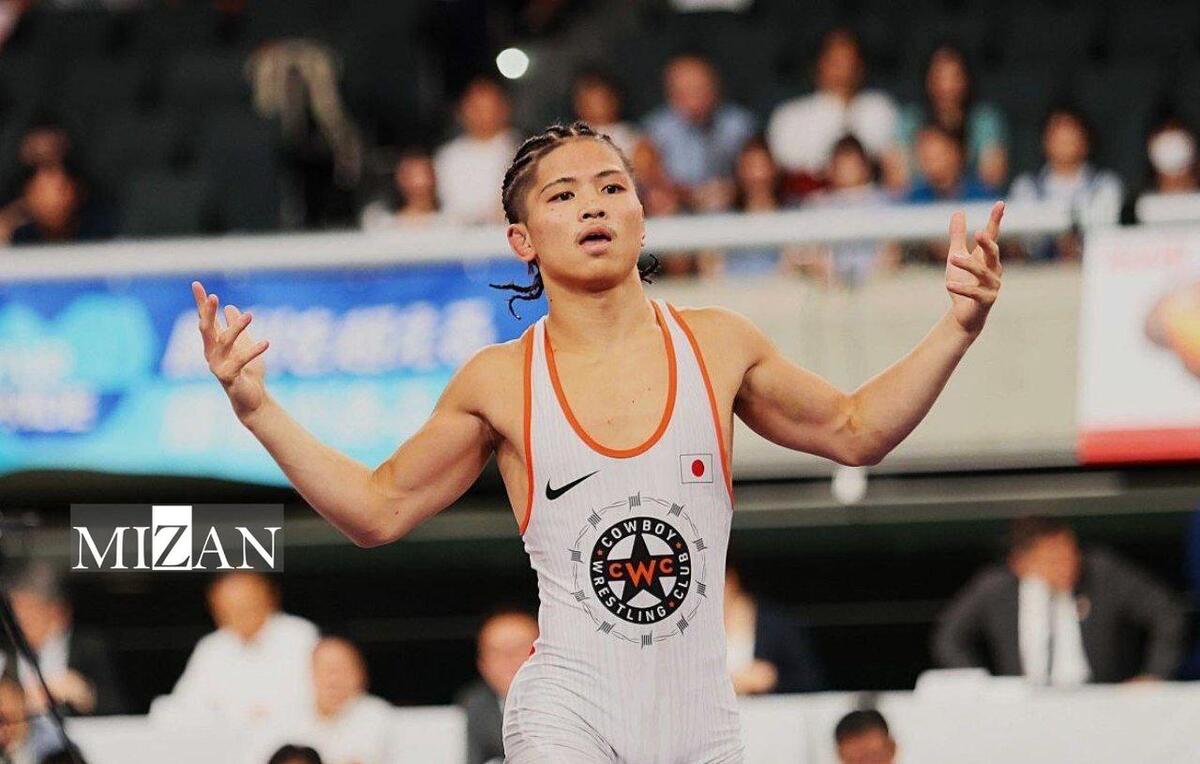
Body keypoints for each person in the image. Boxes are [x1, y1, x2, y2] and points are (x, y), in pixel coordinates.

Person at [191, 120, 1006, 762]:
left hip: (702, 725)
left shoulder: (718, 344)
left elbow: (857, 432)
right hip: (568, 714)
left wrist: (958, 327)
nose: (594, 206)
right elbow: (376, 510)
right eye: (564, 195)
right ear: (522, 239)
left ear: (642, 217)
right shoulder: (500, 381)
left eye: (614, 187)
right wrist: (259, 411)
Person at [932, 515, 1187, 685]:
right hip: (1026, 708)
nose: (1067, 566)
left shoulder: (1102, 573)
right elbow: (949, 638)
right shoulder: (995, 589)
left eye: (1070, 554)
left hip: (1101, 702)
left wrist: (1154, 675)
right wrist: (983, 686)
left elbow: (1166, 613)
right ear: (1021, 563)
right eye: (1052, 560)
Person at [150, 572, 319, 728]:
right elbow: (185, 703)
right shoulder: (212, 647)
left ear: (269, 599)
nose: (238, 614)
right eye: (228, 608)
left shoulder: (299, 636)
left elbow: (310, 701)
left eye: (246, 605)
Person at [767, 29, 898, 190]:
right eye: (836, 61)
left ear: (861, 66)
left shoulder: (880, 108)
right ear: (818, 64)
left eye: (849, 60)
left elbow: (894, 169)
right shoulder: (789, 116)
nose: (844, 69)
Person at [246, 637, 396, 764]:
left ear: (361, 674)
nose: (334, 680)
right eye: (327, 670)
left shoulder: (380, 717)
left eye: (342, 670)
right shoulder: (284, 716)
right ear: (310, 672)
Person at [5, 562, 125, 717]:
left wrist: (85, 694)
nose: (20, 620)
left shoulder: (89, 648)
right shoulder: (6, 653)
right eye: (14, 612)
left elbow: (120, 708)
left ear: (58, 612)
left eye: (30, 610)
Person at [642, 53, 756, 213]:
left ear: (715, 87)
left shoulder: (739, 125)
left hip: (735, 211)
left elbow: (759, 171)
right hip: (678, 213)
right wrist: (687, 195)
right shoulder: (655, 130)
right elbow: (646, 178)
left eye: (700, 88)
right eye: (685, 90)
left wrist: (734, 189)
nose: (694, 98)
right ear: (671, 93)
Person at [888, 44, 1009, 192]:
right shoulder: (910, 120)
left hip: (972, 201)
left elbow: (993, 178)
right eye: (939, 77)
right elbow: (896, 181)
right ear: (927, 80)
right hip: (919, 203)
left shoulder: (984, 119)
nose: (947, 86)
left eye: (954, 77)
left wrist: (952, 181)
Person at [1009, 106, 1123, 259]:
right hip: (1038, 270)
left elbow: (1109, 236)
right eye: (1057, 133)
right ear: (1045, 141)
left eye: (1071, 132)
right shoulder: (1026, 186)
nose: (1064, 139)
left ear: (1086, 141)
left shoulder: (1105, 185)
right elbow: (1019, 243)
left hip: (1090, 266)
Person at [796, 135, 898, 288]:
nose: (847, 170)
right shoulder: (817, 204)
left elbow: (891, 251)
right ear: (831, 168)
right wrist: (831, 280)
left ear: (865, 166)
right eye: (842, 164)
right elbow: (809, 253)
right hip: (828, 286)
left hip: (877, 284)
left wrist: (872, 282)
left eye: (852, 164)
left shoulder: (883, 202)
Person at [455, 609, 539, 764]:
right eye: (496, 651)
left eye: (519, 648)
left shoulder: (572, 702)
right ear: (482, 663)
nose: (508, 658)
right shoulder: (471, 706)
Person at [724, 566, 823, 695]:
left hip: (766, 705)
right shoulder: (698, 624)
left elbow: (810, 680)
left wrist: (772, 680)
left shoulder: (775, 624)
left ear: (731, 580)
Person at [434, 76, 519, 224]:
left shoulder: (520, 150)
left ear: (504, 109)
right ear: (462, 110)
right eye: (476, 108)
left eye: (489, 107)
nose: (483, 115)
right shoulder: (447, 157)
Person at [9, 163, 114, 246]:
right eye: (41, 191)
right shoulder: (19, 237)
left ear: (77, 192)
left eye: (60, 190)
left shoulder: (100, 235)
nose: (52, 200)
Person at [904, 124, 994, 204]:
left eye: (937, 155)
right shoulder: (914, 199)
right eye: (925, 156)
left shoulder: (982, 196)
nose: (931, 163)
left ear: (955, 153)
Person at [359, 149, 443, 230]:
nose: (419, 183)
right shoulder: (382, 223)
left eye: (425, 174)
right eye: (411, 176)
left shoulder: (446, 222)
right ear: (400, 179)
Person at [571, 69, 640, 159]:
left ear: (614, 99)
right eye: (589, 101)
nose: (597, 105)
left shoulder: (632, 139)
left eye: (601, 98)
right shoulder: (570, 140)